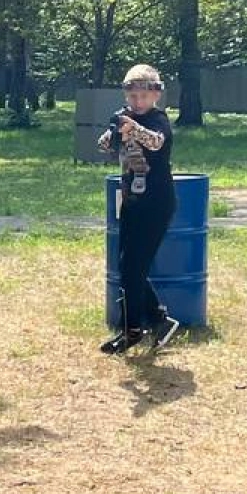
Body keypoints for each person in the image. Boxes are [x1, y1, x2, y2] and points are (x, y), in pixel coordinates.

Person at [98, 64, 182, 354]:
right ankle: (150, 322)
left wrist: (134, 127)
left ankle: (139, 327)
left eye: (143, 97)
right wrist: (113, 134)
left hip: (157, 202)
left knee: (134, 267)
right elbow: (105, 146)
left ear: (155, 96)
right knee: (126, 267)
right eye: (133, 96)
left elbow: (157, 143)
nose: (138, 102)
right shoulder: (123, 116)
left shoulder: (159, 120)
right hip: (132, 201)